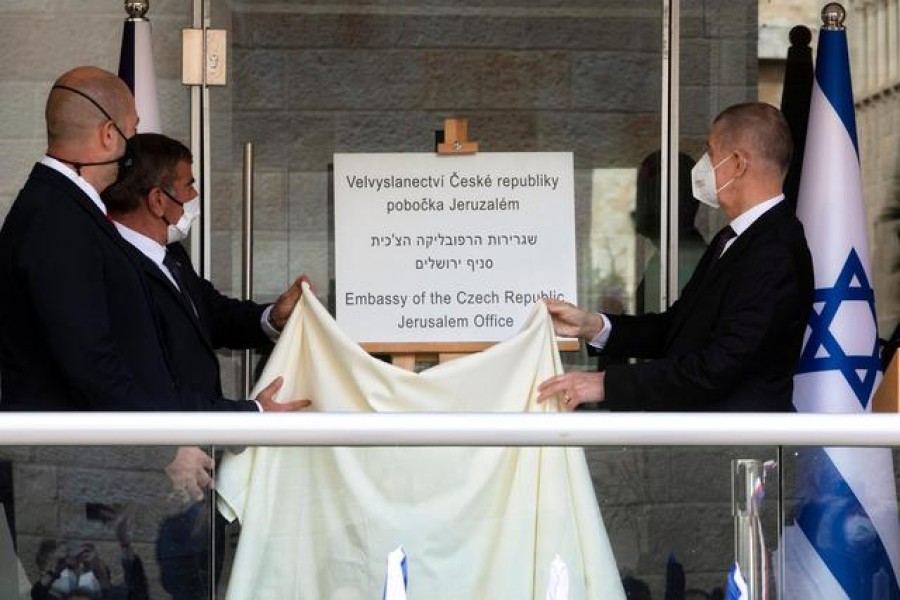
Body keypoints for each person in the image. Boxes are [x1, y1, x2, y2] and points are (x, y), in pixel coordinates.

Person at [0, 65, 306, 413]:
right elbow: (94, 367)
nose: (133, 150)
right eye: (132, 131)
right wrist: (166, 448)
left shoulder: (65, 210)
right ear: (108, 135)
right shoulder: (57, 221)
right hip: (77, 456)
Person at [100, 132, 312, 598]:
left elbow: (211, 315)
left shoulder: (170, 255)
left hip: (198, 473)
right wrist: (250, 414)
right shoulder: (111, 267)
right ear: (159, 199)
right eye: (189, 184)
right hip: (159, 476)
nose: (194, 197)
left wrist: (270, 317)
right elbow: (148, 382)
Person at [538, 102, 813, 412]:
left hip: (738, 446)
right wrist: (592, 325)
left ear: (737, 163)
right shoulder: (735, 238)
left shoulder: (775, 250)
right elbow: (677, 329)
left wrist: (604, 384)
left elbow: (719, 367)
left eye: (710, 153)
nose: (704, 166)